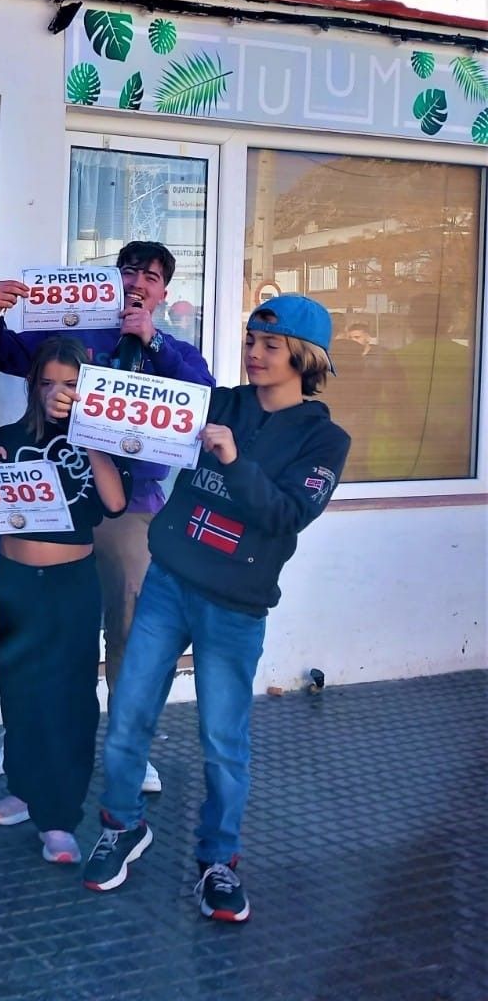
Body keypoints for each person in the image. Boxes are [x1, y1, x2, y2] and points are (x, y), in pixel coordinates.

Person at [82, 296, 350, 922]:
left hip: (235, 605)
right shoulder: (222, 400)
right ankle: (123, 825)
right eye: (251, 340)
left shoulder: (325, 439)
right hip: (169, 582)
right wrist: (93, 395)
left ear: (304, 359)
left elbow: (287, 516)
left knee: (222, 741)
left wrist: (235, 460)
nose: (254, 353)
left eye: (270, 345)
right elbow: (166, 389)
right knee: (126, 716)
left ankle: (218, 862)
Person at [0, 241, 214, 791]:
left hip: (134, 510)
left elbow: (204, 396)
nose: (138, 282)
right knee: (44, 624)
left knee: (126, 629)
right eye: (129, 270)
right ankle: (22, 732)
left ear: (162, 292)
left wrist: (153, 342)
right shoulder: (77, 335)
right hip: (65, 496)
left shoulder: (172, 350)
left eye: (150, 276)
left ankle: (127, 746)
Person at [0, 339, 126, 865]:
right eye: (49, 382)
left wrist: (91, 432)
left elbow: (116, 503)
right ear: (33, 386)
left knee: (72, 699)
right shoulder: (8, 437)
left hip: (71, 583)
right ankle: (26, 791)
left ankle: (60, 815)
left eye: (71, 382)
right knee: (19, 688)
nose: (58, 392)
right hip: (15, 581)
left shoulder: (97, 439)